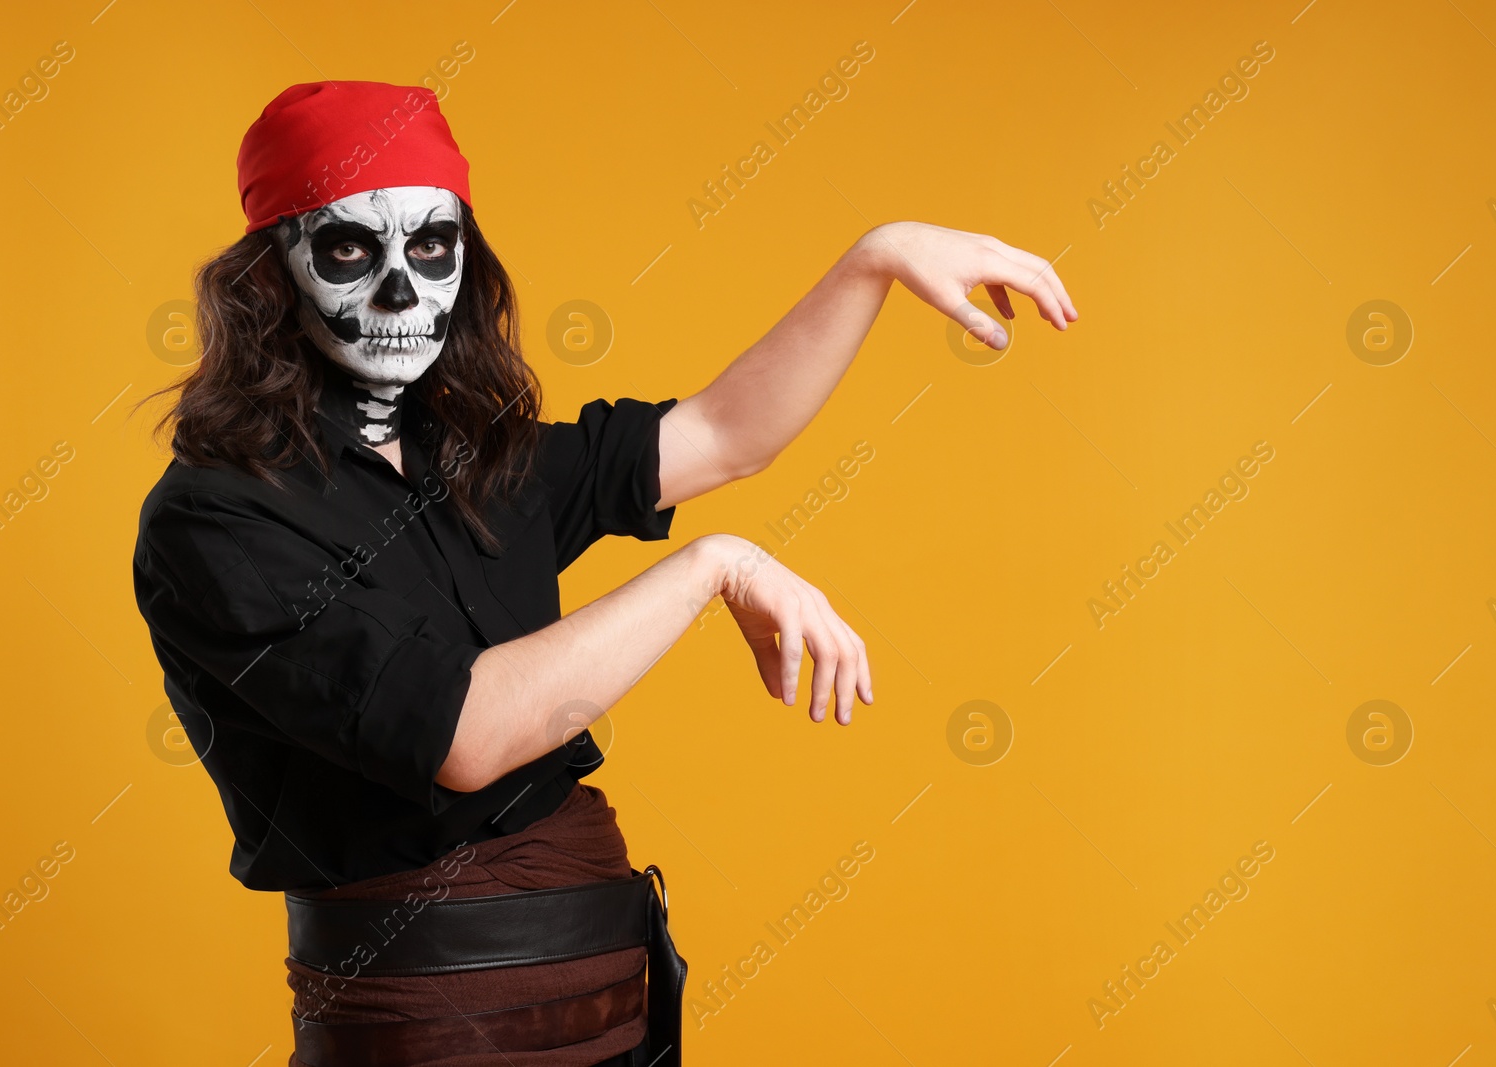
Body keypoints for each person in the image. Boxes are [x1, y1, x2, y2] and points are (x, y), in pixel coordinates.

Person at [130, 80, 1076, 1067]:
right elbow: (467, 733)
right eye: (350, 250)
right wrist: (714, 564)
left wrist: (873, 260)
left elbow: (721, 434)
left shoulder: (476, 454)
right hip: (427, 1032)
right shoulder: (217, 518)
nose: (401, 290)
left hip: (615, 1011)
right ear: (269, 277)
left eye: (431, 245)